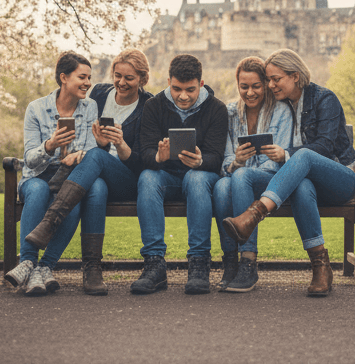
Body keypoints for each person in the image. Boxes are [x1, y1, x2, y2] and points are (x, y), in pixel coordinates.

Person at [222, 48, 355, 297]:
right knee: (295, 185)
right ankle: (320, 268)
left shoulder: (324, 99)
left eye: (276, 79)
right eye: (269, 80)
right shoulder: (281, 105)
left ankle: (256, 212)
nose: (271, 85)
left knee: (304, 156)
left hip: (339, 178)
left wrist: (285, 154)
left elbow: (325, 148)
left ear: (295, 76)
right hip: (305, 182)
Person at [18, 48, 153, 295]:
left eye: (129, 78)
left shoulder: (149, 106)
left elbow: (144, 160)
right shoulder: (99, 94)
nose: (121, 82)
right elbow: (87, 145)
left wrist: (119, 144)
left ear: (142, 80)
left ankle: (51, 221)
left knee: (95, 158)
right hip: (88, 176)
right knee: (97, 187)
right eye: (117, 75)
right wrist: (94, 144)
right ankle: (92, 268)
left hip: (125, 174)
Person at [4, 51, 108, 296]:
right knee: (39, 189)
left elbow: (92, 148)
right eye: (82, 77)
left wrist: (79, 155)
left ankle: (44, 266)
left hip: (71, 176)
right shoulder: (36, 109)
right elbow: (29, 158)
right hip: (37, 176)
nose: (88, 83)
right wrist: (49, 146)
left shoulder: (90, 106)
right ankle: (28, 263)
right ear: (64, 78)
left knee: (74, 196)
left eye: (89, 77)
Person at [132, 53, 228, 295]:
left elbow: (217, 157)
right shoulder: (154, 106)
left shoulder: (217, 109)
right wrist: (158, 157)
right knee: (147, 177)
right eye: (176, 89)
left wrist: (201, 160)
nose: (183, 96)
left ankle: (198, 262)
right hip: (167, 177)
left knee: (195, 179)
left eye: (190, 90)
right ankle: (154, 263)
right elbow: (145, 152)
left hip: (201, 177)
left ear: (201, 85)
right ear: (168, 82)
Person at [211, 56, 293, 293]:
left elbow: (282, 160)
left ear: (266, 84)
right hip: (238, 177)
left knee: (241, 177)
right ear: (237, 85)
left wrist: (247, 169)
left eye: (256, 86)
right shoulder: (229, 113)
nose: (250, 92)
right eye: (244, 86)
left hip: (272, 181)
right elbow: (225, 162)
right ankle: (230, 261)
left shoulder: (281, 111)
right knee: (221, 186)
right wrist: (237, 160)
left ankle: (248, 259)